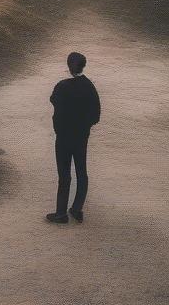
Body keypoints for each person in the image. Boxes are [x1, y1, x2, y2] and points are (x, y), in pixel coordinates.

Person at [45, 50, 100, 224]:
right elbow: (96, 116)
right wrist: (84, 126)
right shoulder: (90, 87)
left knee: (64, 175)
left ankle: (61, 213)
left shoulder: (61, 86)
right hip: (81, 138)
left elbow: (53, 101)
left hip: (63, 138)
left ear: (69, 67)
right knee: (82, 173)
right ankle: (77, 209)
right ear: (83, 66)